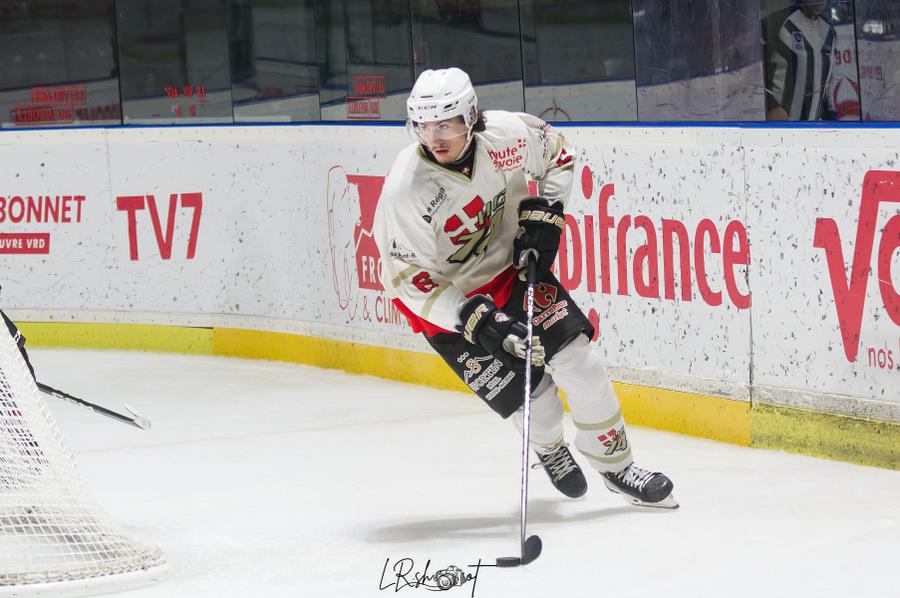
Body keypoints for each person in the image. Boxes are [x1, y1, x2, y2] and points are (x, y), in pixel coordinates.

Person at [373, 67, 677, 508]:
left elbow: (559, 152)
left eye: (446, 125)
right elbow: (406, 278)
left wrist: (547, 213)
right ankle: (549, 448)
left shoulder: (506, 134)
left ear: (470, 117)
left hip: (512, 274)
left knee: (582, 365)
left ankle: (618, 467)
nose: (434, 138)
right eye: (423, 126)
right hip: (451, 304)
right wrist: (469, 317)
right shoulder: (406, 189)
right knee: (540, 402)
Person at [763, 0, 837, 121]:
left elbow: (828, 82)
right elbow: (755, 71)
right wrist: (772, 107)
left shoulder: (829, 33)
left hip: (815, 126)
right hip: (781, 126)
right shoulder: (778, 22)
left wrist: (831, 117)